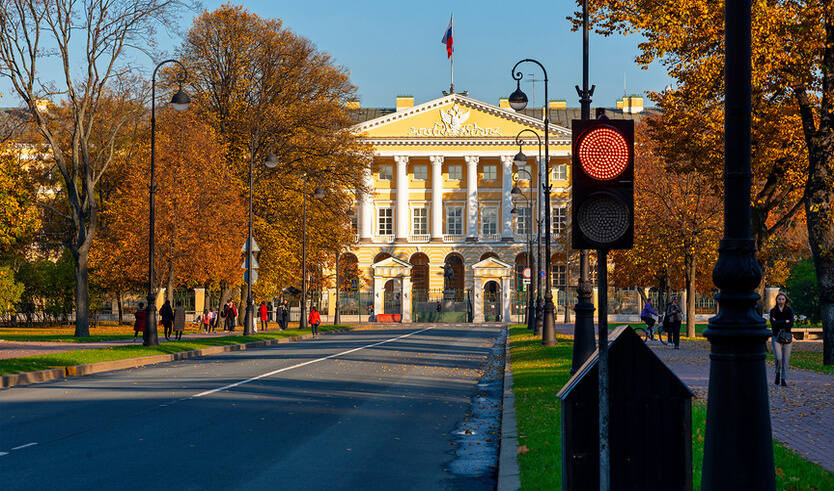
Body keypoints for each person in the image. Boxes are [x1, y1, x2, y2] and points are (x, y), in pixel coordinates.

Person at [770, 292, 794, 386]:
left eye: (782, 299)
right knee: (778, 358)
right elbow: (773, 323)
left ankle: (783, 379)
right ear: (776, 300)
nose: (781, 301)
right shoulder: (773, 310)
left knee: (785, 360)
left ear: (785, 300)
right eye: (779, 299)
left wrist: (779, 322)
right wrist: (785, 321)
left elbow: (791, 323)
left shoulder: (789, 310)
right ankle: (777, 373)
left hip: (787, 337)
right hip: (776, 337)